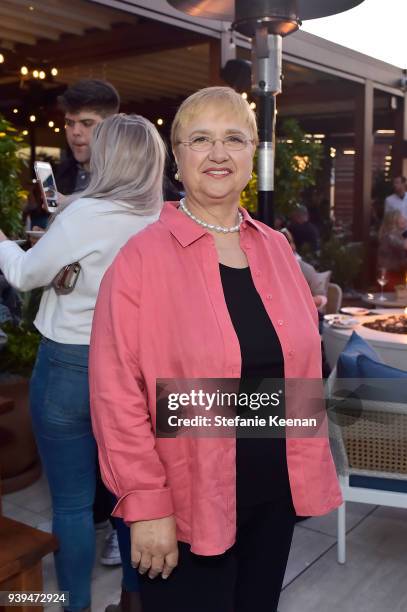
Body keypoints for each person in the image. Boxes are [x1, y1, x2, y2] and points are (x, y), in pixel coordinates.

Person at [89, 87, 342, 612]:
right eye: (200, 139)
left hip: (274, 494)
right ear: (177, 158)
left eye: (234, 138)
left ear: (253, 154)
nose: (219, 153)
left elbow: (299, 370)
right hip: (185, 503)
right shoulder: (141, 259)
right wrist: (146, 505)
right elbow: (116, 396)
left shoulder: (276, 248)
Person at [0, 114, 166, 612]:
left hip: (69, 366)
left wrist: (4, 243)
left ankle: (76, 606)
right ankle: (133, 601)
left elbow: (27, 275)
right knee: (128, 493)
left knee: (71, 506)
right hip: (133, 370)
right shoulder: (164, 217)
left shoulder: (87, 214)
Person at [377, 209, 407, 290]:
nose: (405, 219)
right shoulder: (389, 236)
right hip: (389, 276)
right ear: (394, 221)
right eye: (401, 217)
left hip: (399, 274)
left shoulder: (399, 236)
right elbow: (404, 246)